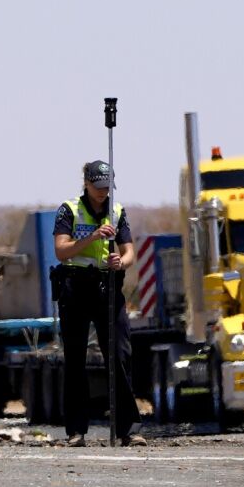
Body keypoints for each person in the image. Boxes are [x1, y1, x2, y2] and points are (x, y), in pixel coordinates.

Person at [53, 160, 143, 447]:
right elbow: (61, 251)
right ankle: (76, 431)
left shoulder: (117, 211)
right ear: (87, 184)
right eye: (99, 187)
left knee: (119, 354)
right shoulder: (69, 210)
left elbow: (130, 252)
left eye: (108, 187)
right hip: (75, 286)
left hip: (108, 287)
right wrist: (91, 237)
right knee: (76, 358)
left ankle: (126, 429)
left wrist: (121, 262)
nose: (104, 192)